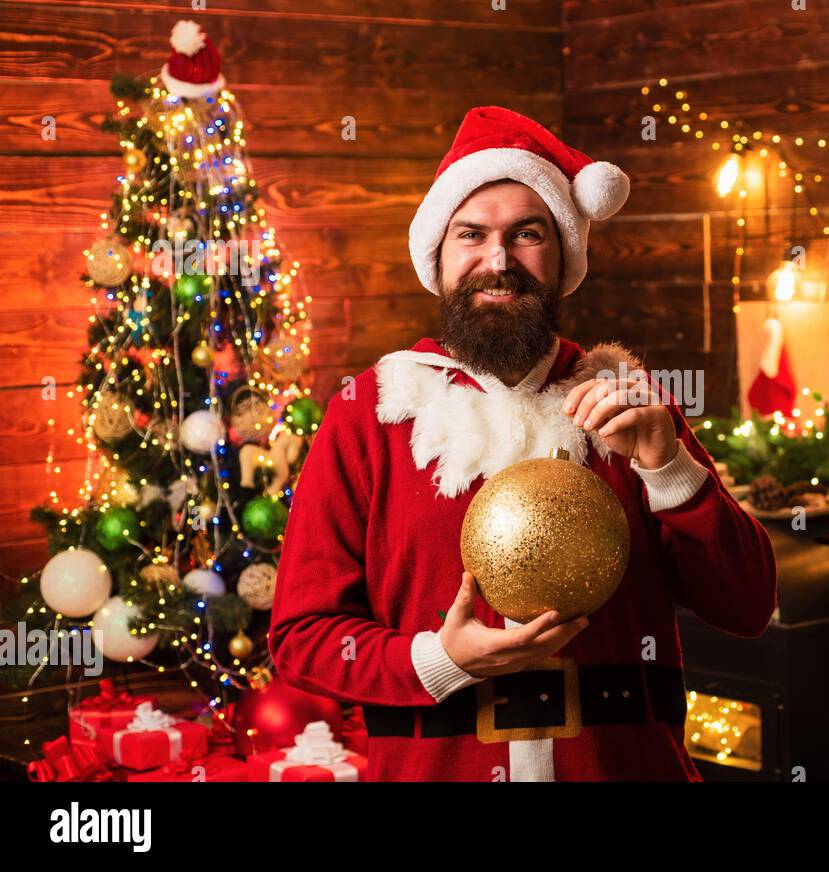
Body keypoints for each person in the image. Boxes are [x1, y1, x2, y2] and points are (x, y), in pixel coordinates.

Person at [269, 106, 777, 781]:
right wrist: (442, 660)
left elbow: (747, 607)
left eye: (527, 234)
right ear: (438, 257)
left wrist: (670, 467)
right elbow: (303, 639)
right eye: (471, 235)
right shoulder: (371, 415)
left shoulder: (627, 403)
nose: (498, 260)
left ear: (564, 253)